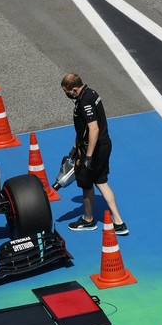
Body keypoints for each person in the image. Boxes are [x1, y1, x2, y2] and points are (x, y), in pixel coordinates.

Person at [61, 73, 128, 236]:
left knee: (86, 183)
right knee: (101, 181)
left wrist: (88, 157)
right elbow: (82, 128)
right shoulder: (91, 93)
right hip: (104, 145)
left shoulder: (84, 102)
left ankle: (88, 220)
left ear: (74, 89)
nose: (67, 95)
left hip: (94, 150)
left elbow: (94, 129)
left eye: (67, 92)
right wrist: (74, 147)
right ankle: (118, 222)